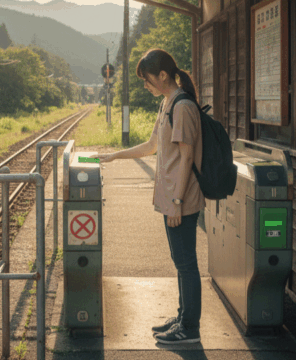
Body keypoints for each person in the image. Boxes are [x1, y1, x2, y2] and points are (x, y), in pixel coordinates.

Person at [90, 48, 204, 345]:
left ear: (163, 75)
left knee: (186, 263)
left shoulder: (182, 107)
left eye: (147, 79)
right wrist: (115, 156)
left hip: (181, 200)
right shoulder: (167, 103)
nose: (145, 85)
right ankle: (182, 317)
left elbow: (187, 157)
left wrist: (178, 201)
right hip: (171, 199)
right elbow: (152, 145)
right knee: (180, 261)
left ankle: (189, 328)